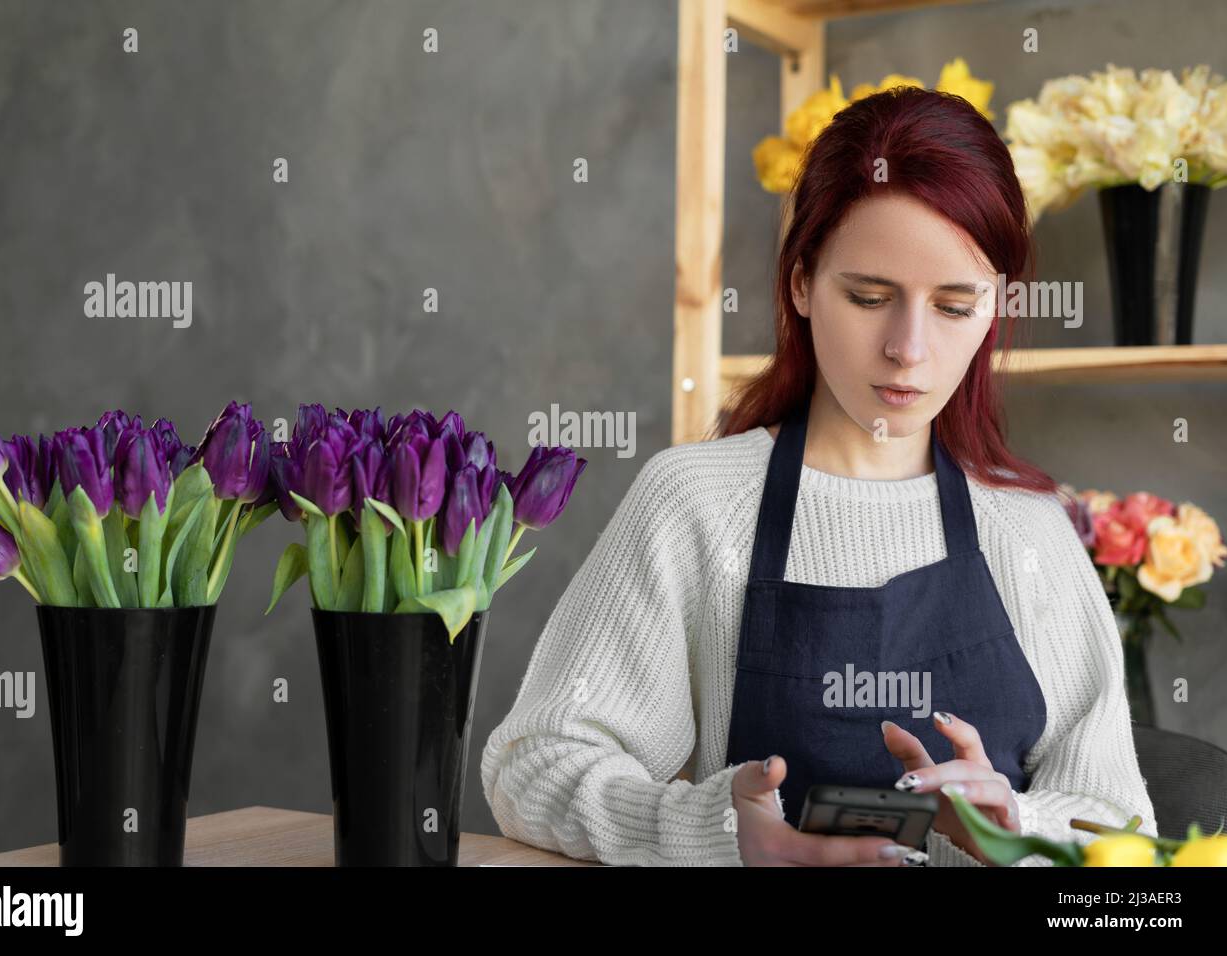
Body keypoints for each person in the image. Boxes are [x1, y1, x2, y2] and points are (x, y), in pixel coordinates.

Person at [479, 86, 1156, 866]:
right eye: (869, 297)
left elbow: (1120, 824)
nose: (908, 348)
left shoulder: (1030, 530)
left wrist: (1014, 826)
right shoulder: (697, 505)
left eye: (954, 305)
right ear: (801, 284)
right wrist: (727, 837)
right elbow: (534, 765)